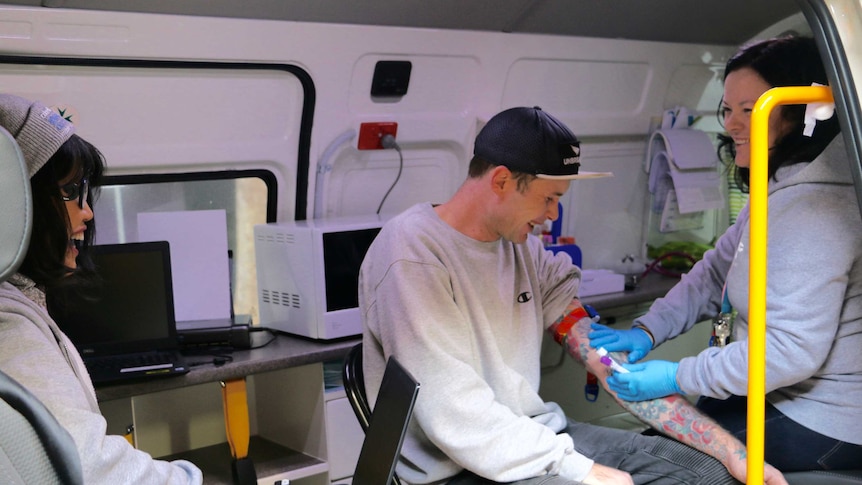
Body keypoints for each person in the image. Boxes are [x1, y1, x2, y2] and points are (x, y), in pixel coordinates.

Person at [359, 106, 785, 485]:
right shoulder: (413, 256)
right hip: (456, 467)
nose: (552, 215)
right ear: (502, 180)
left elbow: (606, 367)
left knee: (708, 475)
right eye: (549, 198)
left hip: (537, 436)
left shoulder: (525, 250)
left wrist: (732, 453)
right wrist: (579, 470)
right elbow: (454, 415)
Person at [589, 35, 862, 472]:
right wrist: (646, 330)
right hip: (773, 393)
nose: (732, 124)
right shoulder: (777, 184)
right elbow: (718, 270)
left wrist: (677, 374)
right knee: (652, 444)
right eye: (727, 109)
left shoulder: (817, 208)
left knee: (662, 460)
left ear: (802, 112)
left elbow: (790, 351)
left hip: (825, 416)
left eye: (750, 110)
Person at [0, 93, 203, 484]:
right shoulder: (9, 328)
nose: (87, 212)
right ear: (17, 200)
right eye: (69, 190)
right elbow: (85, 463)